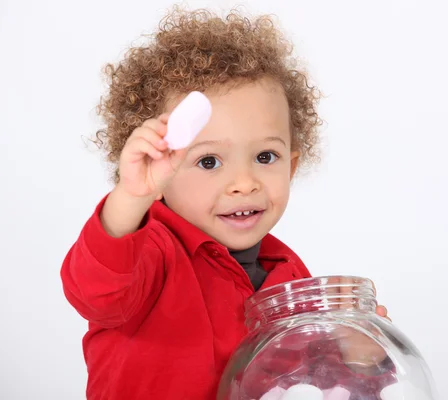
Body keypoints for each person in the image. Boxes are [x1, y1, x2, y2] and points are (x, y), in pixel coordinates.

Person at [60, 6, 390, 399]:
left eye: (265, 157)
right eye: (209, 161)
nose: (244, 183)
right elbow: (96, 293)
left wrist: (360, 356)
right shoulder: (149, 255)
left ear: (292, 165)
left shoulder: (291, 279)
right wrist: (131, 198)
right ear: (158, 173)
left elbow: (316, 386)